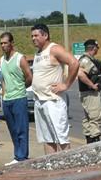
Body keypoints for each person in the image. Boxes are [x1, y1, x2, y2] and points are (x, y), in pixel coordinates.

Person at [30, 23, 80, 154]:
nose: (33, 38)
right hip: (40, 101)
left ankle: (68, 167)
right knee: (47, 139)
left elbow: (74, 63)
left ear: (45, 35)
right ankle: (51, 168)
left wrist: (66, 84)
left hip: (53, 102)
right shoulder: (38, 53)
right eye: (32, 36)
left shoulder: (54, 49)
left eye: (36, 35)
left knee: (61, 139)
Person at [0, 31, 33, 164]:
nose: (3, 46)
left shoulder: (19, 58)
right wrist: (4, 93)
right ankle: (17, 155)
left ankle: (22, 156)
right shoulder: (2, 60)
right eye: (1, 43)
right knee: (12, 129)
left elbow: (29, 76)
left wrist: (21, 88)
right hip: (7, 100)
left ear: (12, 43)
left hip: (19, 98)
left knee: (21, 129)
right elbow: (3, 79)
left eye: (5, 43)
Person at [77, 38, 101, 144]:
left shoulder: (88, 59)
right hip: (90, 93)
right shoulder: (86, 60)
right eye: (97, 48)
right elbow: (80, 74)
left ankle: (90, 141)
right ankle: (94, 143)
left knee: (88, 118)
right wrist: (92, 85)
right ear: (94, 48)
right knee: (94, 117)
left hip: (88, 93)